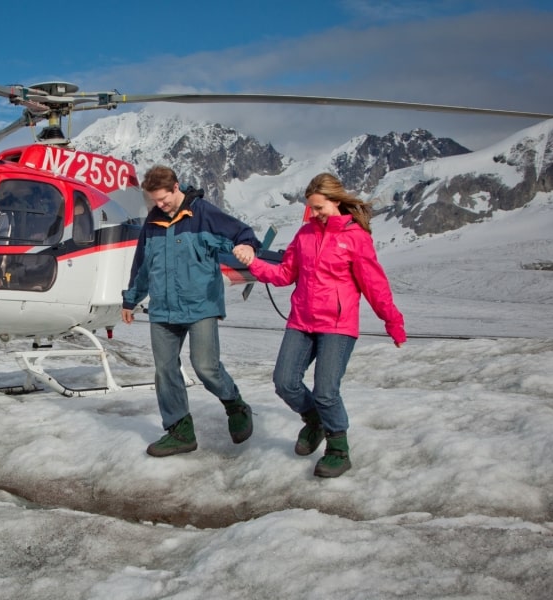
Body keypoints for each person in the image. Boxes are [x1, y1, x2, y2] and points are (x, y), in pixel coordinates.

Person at [233, 172, 406, 478]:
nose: (313, 214)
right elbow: (285, 275)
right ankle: (315, 421)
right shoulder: (305, 235)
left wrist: (393, 321)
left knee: (326, 391)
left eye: (318, 208)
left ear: (335, 201)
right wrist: (253, 264)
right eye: (311, 209)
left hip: (337, 326)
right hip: (301, 320)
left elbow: (375, 286)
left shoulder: (355, 238)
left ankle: (339, 449)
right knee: (285, 382)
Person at [122, 165, 261, 457]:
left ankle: (235, 404)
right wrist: (130, 299)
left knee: (205, 367)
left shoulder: (203, 214)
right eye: (155, 201)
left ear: (176, 188)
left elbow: (243, 234)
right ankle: (179, 431)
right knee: (165, 369)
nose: (160, 206)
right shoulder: (153, 222)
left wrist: (247, 246)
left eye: (163, 199)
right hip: (163, 309)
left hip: (201, 306)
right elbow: (143, 264)